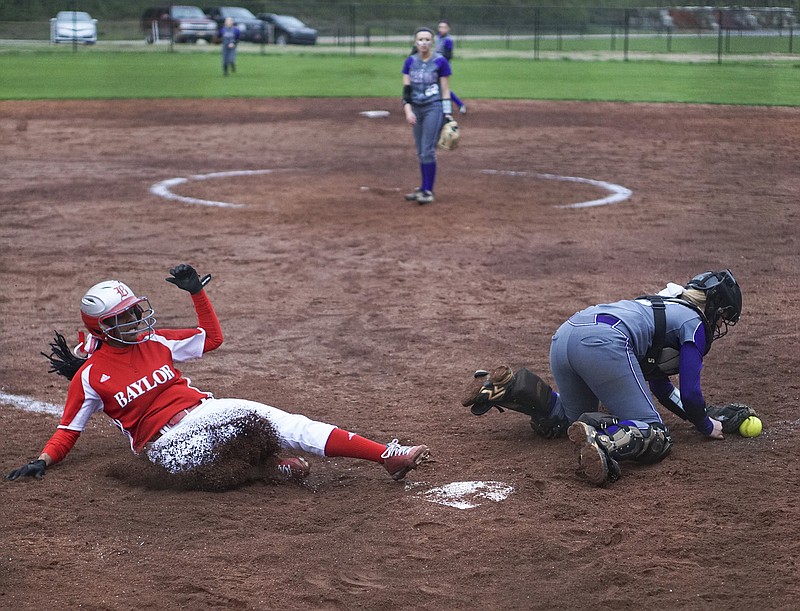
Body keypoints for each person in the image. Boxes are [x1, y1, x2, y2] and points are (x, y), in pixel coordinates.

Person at [5, 264, 430, 487]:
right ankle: (271, 468)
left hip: (205, 409)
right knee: (206, 467)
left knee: (287, 424)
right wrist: (41, 461)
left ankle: (386, 455)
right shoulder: (91, 375)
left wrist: (197, 292)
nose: (137, 318)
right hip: (164, 445)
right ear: (102, 327)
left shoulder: (158, 342)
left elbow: (211, 339)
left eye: (135, 309)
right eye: (125, 315)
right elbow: (67, 430)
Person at [461, 270, 743, 486]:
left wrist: (700, 416)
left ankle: (509, 387)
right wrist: (706, 425)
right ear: (714, 308)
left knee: (568, 419)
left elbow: (660, 385)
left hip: (567, 333)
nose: (719, 325)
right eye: (722, 318)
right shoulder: (693, 323)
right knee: (655, 433)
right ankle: (603, 443)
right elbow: (691, 393)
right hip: (603, 342)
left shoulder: (662, 304)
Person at [402, 26, 453, 205]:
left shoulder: (440, 62)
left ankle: (428, 191)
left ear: (432, 42)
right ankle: (423, 187)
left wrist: (448, 113)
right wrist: (408, 110)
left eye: (427, 39)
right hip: (415, 109)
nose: (423, 43)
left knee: (427, 150)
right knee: (420, 151)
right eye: (420, 40)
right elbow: (406, 92)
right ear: (415, 42)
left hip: (434, 107)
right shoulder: (409, 62)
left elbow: (445, 91)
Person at [434, 21, 467, 114]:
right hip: (436, 65)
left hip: (443, 67)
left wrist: (438, 61)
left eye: (444, 27)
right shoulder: (437, 38)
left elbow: (448, 55)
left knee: (443, 87)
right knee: (438, 87)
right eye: (440, 27)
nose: (442, 29)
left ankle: (459, 105)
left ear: (448, 29)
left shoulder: (448, 40)